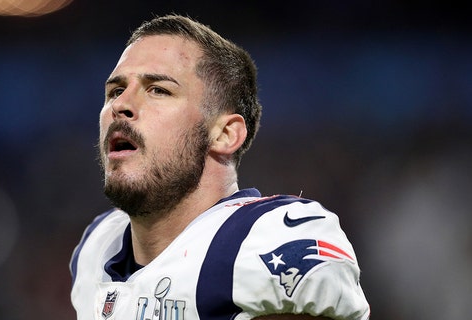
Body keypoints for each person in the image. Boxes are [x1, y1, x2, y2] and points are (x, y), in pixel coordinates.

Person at [69, 14, 370, 320]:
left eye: (158, 89)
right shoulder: (97, 248)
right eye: (115, 91)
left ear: (225, 134)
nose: (120, 105)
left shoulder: (264, 240)